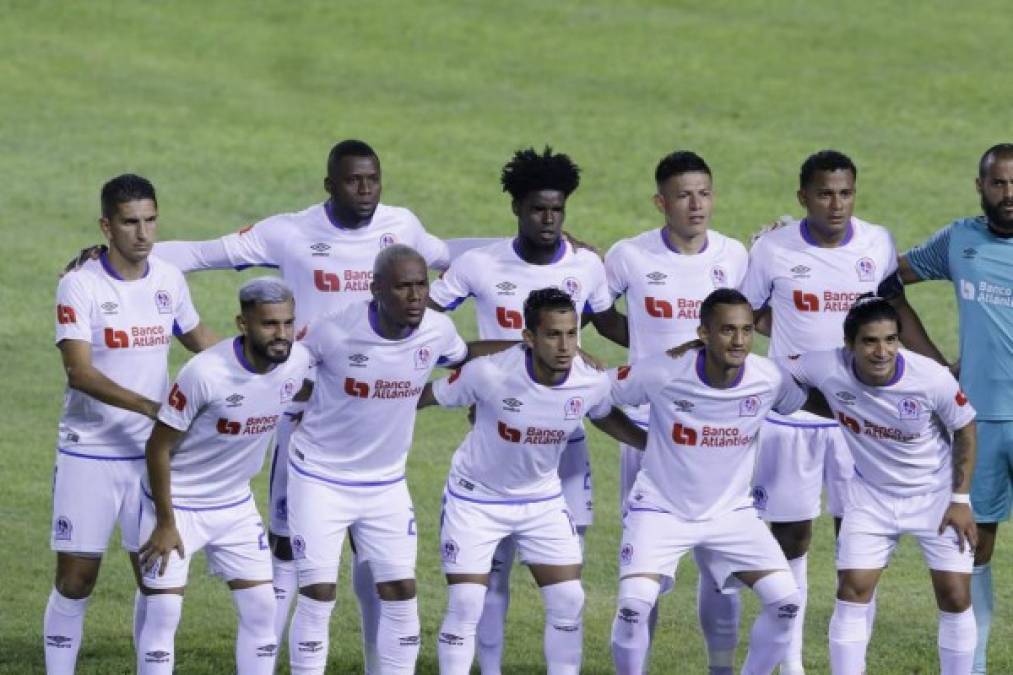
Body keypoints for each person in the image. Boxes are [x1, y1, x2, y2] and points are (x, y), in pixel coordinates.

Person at [126, 139, 490, 668]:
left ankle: (374, 659)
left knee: (380, 568)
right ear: (330, 184)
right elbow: (206, 253)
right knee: (287, 555)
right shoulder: (290, 232)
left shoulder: (401, 227)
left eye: (373, 179)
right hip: (298, 414)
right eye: (352, 180)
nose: (365, 190)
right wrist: (129, 254)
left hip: (369, 417)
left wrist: (522, 241)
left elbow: (450, 253)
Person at [427, 146, 613, 673]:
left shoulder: (586, 264)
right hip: (499, 427)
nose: (549, 220)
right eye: (537, 209)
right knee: (488, 578)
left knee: (565, 584)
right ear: (517, 208)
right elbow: (426, 321)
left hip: (564, 440)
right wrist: (486, 358)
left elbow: (615, 325)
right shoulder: (480, 264)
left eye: (557, 210)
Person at [286, 244, 507, 675]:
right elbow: (283, 371)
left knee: (402, 593)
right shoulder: (335, 332)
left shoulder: (437, 331)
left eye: (421, 284)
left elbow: (464, 358)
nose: (415, 296)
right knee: (317, 594)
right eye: (403, 286)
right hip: (320, 477)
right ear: (376, 290)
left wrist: (530, 343)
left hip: (385, 483)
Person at [420, 287, 646, 675]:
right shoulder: (489, 373)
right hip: (475, 500)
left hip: (540, 501)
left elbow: (604, 414)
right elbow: (425, 396)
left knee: (568, 600)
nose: (565, 346)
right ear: (529, 338)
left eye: (572, 333)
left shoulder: (589, 381)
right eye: (553, 334)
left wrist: (653, 446)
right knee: (466, 604)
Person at [45, 174, 215, 673]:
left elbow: (196, 334)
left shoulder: (168, 279)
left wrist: (250, 365)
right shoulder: (80, 284)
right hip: (88, 452)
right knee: (76, 580)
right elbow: (79, 372)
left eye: (150, 220)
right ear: (106, 226)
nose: (143, 233)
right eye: (130, 223)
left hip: (149, 457)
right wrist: (150, 407)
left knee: (156, 579)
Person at [739, 150, 899, 673]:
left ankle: (849, 663)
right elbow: (746, 314)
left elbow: (891, 317)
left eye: (846, 192)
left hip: (862, 419)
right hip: (791, 419)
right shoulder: (772, 249)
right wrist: (790, 349)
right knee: (791, 540)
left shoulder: (877, 244)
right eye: (825, 193)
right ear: (802, 196)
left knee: (858, 541)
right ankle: (792, 664)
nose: (837, 204)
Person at [602, 150, 749, 673]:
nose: (696, 204)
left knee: (721, 563)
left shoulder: (736, 256)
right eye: (683, 195)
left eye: (704, 193)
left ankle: (721, 668)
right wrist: (637, 354)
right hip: (649, 428)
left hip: (720, 432)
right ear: (660, 202)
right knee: (644, 570)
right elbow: (596, 311)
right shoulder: (629, 256)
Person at [608, 288, 806, 675]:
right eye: (728, 331)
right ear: (703, 333)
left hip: (732, 513)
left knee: (786, 604)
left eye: (747, 330)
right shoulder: (663, 371)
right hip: (660, 509)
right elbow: (599, 396)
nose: (739, 341)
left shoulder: (768, 377)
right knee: (634, 606)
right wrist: (642, 441)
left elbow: (801, 399)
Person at [782, 296, 977, 674]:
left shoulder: (930, 377)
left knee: (955, 594)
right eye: (870, 341)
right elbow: (769, 371)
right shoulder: (825, 365)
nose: (882, 351)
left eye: (890, 339)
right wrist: (704, 351)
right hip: (870, 495)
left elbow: (966, 428)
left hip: (935, 496)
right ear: (849, 344)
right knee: (852, 589)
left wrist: (960, 499)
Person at [881, 143, 1013, 674]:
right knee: (973, 550)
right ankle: (973, 666)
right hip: (977, 424)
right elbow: (887, 282)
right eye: (999, 183)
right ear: (980, 187)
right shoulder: (960, 240)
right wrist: (935, 367)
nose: (1009, 194)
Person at [136, 277, 312, 674]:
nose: (281, 334)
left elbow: (317, 387)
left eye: (287, 323)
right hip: (177, 502)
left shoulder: (296, 361)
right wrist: (165, 522)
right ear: (242, 323)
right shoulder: (204, 374)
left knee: (262, 608)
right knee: (163, 612)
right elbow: (157, 447)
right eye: (269, 325)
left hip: (234, 503)